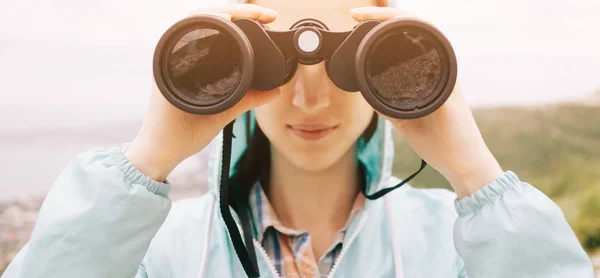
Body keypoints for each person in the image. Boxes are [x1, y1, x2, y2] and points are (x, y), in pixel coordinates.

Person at [3, 0, 596, 277]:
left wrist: (475, 173)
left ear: (381, 69)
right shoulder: (161, 251)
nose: (310, 98)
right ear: (243, 70)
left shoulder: (459, 244)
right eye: (279, 68)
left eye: (346, 66)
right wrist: (150, 157)